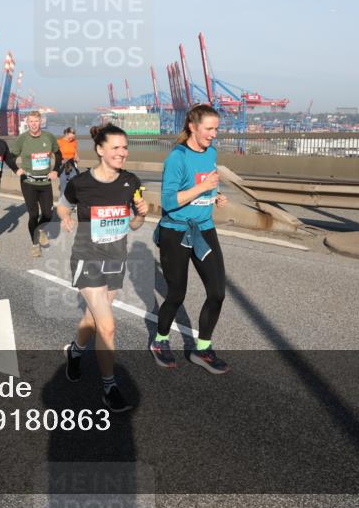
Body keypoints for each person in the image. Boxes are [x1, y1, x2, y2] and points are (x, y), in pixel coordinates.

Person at [58, 124, 148, 413]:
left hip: (115, 259)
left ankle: (74, 352)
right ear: (100, 149)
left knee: (93, 320)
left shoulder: (131, 182)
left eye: (125, 147)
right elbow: (63, 204)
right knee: (108, 326)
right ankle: (109, 388)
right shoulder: (81, 183)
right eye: (116, 148)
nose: (123, 153)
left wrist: (142, 216)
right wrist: (64, 218)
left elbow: (133, 224)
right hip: (87, 257)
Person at [150, 104, 230, 374]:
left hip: (204, 228)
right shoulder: (177, 158)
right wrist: (203, 188)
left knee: (217, 292)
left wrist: (215, 195)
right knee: (176, 293)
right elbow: (169, 202)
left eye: (216, 129)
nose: (214, 134)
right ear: (193, 127)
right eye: (209, 129)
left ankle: (202, 349)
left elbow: (209, 182)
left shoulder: (211, 153)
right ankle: (160, 341)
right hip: (176, 231)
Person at [11, 111, 62, 257]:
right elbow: (10, 157)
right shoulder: (22, 139)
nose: (33, 124)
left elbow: (58, 154)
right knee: (33, 214)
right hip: (28, 182)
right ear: (28, 123)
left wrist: (56, 171)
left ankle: (41, 230)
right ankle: (35, 244)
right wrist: (16, 169)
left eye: (36, 121)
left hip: (45, 182)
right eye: (31, 121)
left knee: (48, 213)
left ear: (41, 122)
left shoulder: (49, 137)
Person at [58, 126, 80, 194]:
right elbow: (54, 154)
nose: (71, 139)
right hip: (63, 164)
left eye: (72, 137)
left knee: (74, 181)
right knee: (63, 182)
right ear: (66, 134)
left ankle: (72, 198)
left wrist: (77, 157)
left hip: (72, 163)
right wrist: (60, 160)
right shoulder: (59, 142)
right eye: (69, 137)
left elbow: (75, 151)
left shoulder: (74, 142)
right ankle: (62, 200)